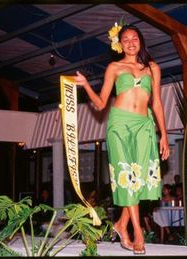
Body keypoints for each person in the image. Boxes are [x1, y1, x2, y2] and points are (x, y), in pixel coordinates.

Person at [75, 22, 170, 254]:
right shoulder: (114, 67)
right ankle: (137, 232)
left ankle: (120, 224)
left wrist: (164, 134)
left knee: (143, 180)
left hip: (144, 126)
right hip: (119, 125)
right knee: (127, 175)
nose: (130, 42)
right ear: (119, 43)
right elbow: (99, 104)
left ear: (141, 41)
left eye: (134, 38)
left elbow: (156, 102)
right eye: (125, 39)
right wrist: (86, 85)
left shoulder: (152, 68)